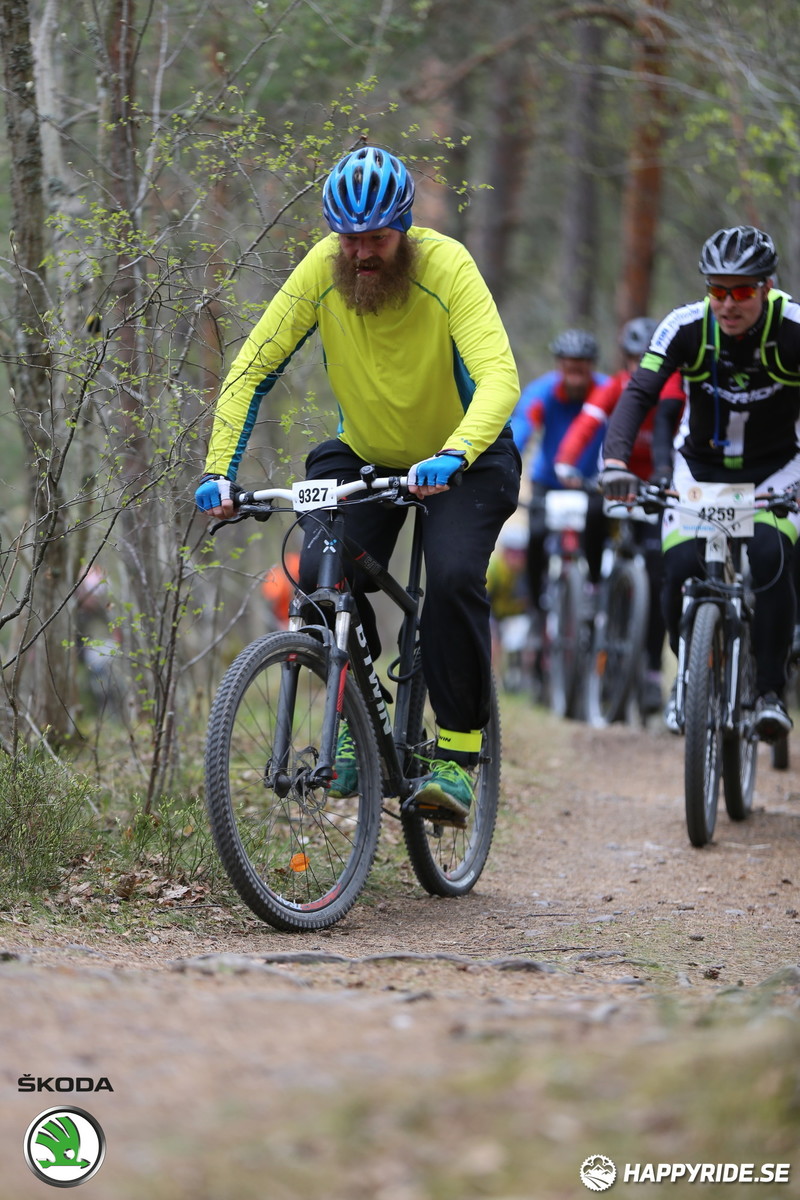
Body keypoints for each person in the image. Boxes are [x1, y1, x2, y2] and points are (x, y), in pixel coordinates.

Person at [195, 144, 522, 820]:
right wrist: (219, 470)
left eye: (374, 238)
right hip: (367, 453)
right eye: (347, 239)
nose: (360, 254)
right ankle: (356, 719)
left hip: (465, 455)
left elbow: (499, 379)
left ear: (403, 229)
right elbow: (252, 368)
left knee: (455, 577)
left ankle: (458, 755)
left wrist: (456, 452)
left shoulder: (447, 266)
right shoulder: (323, 270)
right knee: (319, 572)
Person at [599, 225, 800, 741]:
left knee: (772, 557)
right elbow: (638, 394)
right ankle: (688, 675)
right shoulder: (683, 327)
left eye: (742, 291)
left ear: (767, 286)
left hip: (775, 470)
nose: (728, 304)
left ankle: (770, 692)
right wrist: (617, 462)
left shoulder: (794, 327)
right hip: (702, 470)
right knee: (681, 567)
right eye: (717, 290)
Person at [554, 317, 685, 714]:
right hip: (617, 476)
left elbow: (682, 437)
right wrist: (565, 462)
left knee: (659, 570)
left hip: (660, 482)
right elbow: (587, 422)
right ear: (625, 360)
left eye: (645, 359)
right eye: (632, 359)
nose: (638, 367)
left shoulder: (677, 387)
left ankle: (648, 671)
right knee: (595, 509)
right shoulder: (615, 387)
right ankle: (594, 584)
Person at [510, 329, 609, 617]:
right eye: (569, 366)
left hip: (590, 482)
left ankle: (594, 585)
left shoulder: (605, 391)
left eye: (582, 366)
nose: (575, 374)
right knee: (537, 534)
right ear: (558, 365)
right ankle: (535, 602)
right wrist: (507, 464)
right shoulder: (542, 393)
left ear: (592, 366)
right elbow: (521, 430)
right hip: (548, 481)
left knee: (597, 523)